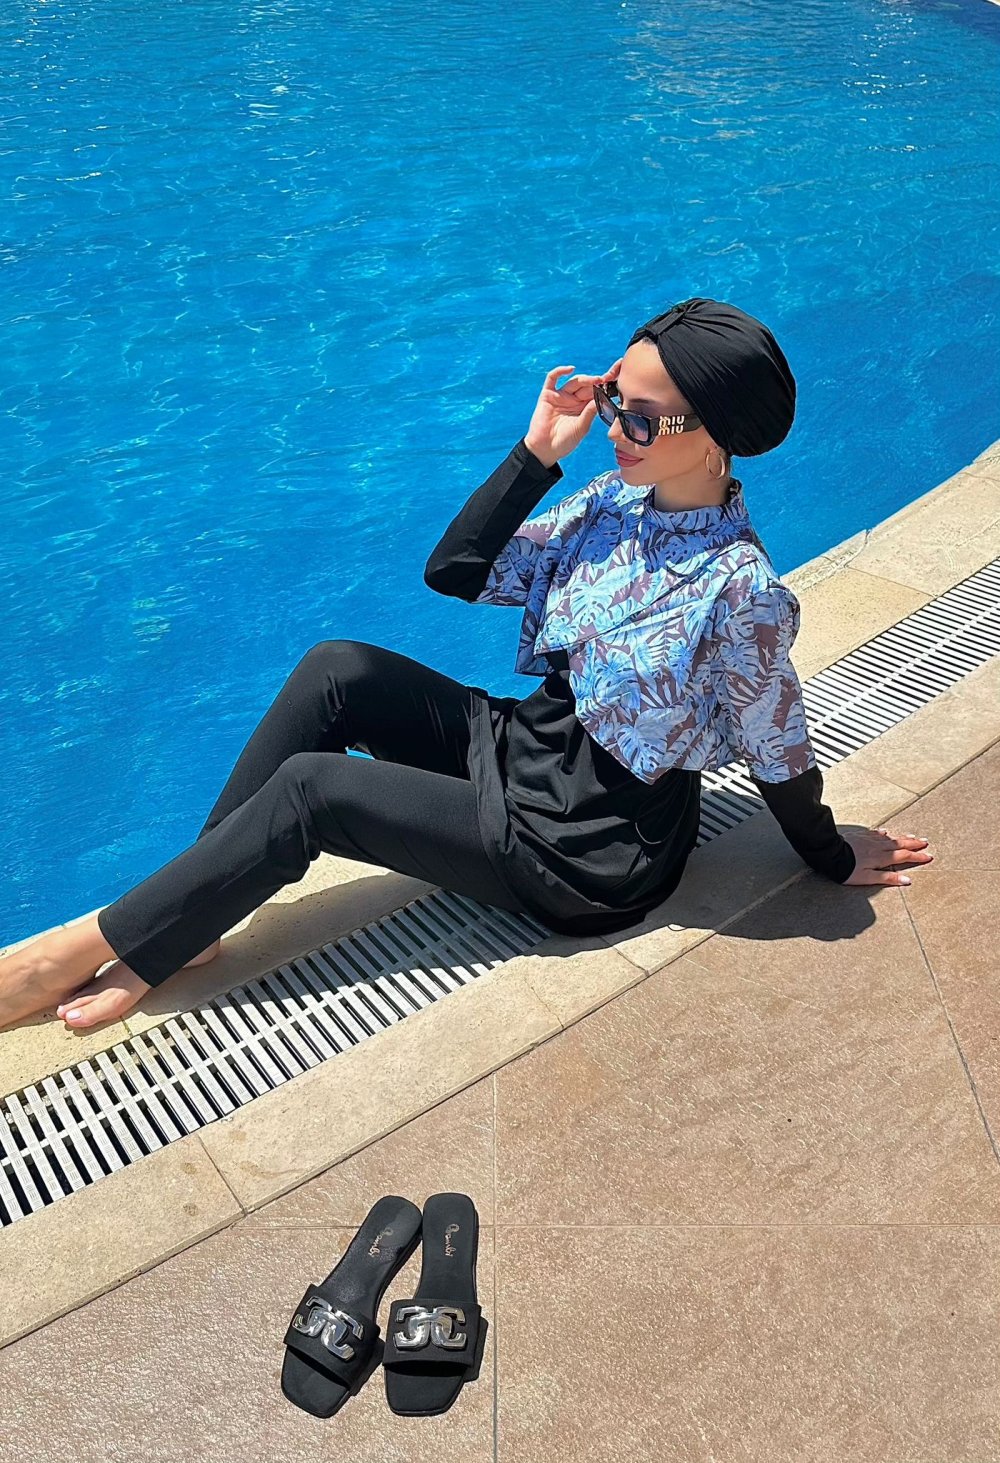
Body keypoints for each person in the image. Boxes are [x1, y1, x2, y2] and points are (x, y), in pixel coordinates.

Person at [0, 297, 933, 1034]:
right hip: (527, 748)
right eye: (615, 399)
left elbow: (778, 743)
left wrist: (826, 847)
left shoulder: (740, 589)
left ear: (714, 431)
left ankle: (81, 949)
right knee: (337, 668)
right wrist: (536, 452)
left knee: (313, 791)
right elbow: (455, 571)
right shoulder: (612, 505)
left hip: (585, 847)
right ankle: (192, 915)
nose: (615, 427)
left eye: (641, 418)